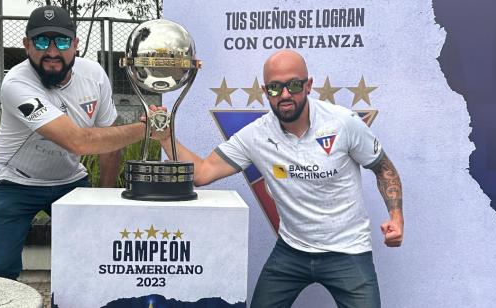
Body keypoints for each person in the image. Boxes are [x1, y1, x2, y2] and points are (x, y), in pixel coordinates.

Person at [154, 50, 403, 308]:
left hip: (348, 251)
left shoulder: (344, 123)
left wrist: (396, 218)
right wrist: (164, 137)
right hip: (291, 251)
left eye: (293, 85)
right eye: (275, 88)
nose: (284, 94)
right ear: (265, 91)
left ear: (308, 86)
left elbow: (384, 168)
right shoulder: (256, 135)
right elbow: (203, 172)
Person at [0, 5, 155, 280]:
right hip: (14, 182)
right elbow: (78, 141)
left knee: (92, 260)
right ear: (27, 45)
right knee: (2, 272)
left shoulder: (95, 75)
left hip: (69, 180)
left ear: (75, 45)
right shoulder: (15, 83)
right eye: (41, 41)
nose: (52, 52)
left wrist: (104, 198)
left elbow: (110, 144)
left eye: (62, 41)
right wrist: (146, 129)